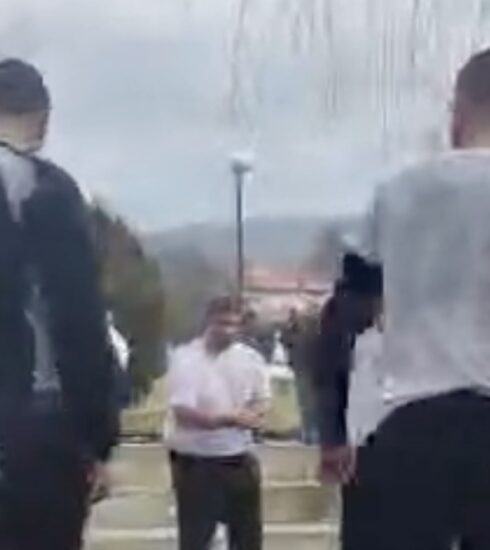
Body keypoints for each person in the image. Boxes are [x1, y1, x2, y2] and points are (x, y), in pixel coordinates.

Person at [340, 48, 490, 550]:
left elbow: (345, 316)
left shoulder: (398, 193)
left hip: (410, 427)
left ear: (459, 111)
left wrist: (334, 433)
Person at [0, 59, 117, 549]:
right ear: (41, 116)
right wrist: (97, 436)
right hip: (33, 426)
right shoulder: (45, 190)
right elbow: (78, 319)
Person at [167, 296, 271, 550]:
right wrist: (224, 419)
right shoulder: (187, 358)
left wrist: (253, 416)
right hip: (196, 459)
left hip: (238, 456)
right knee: (196, 538)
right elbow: (183, 412)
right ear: (209, 322)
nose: (228, 331)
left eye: (234, 324)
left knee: (247, 537)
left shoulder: (250, 358)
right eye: (222, 323)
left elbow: (262, 400)